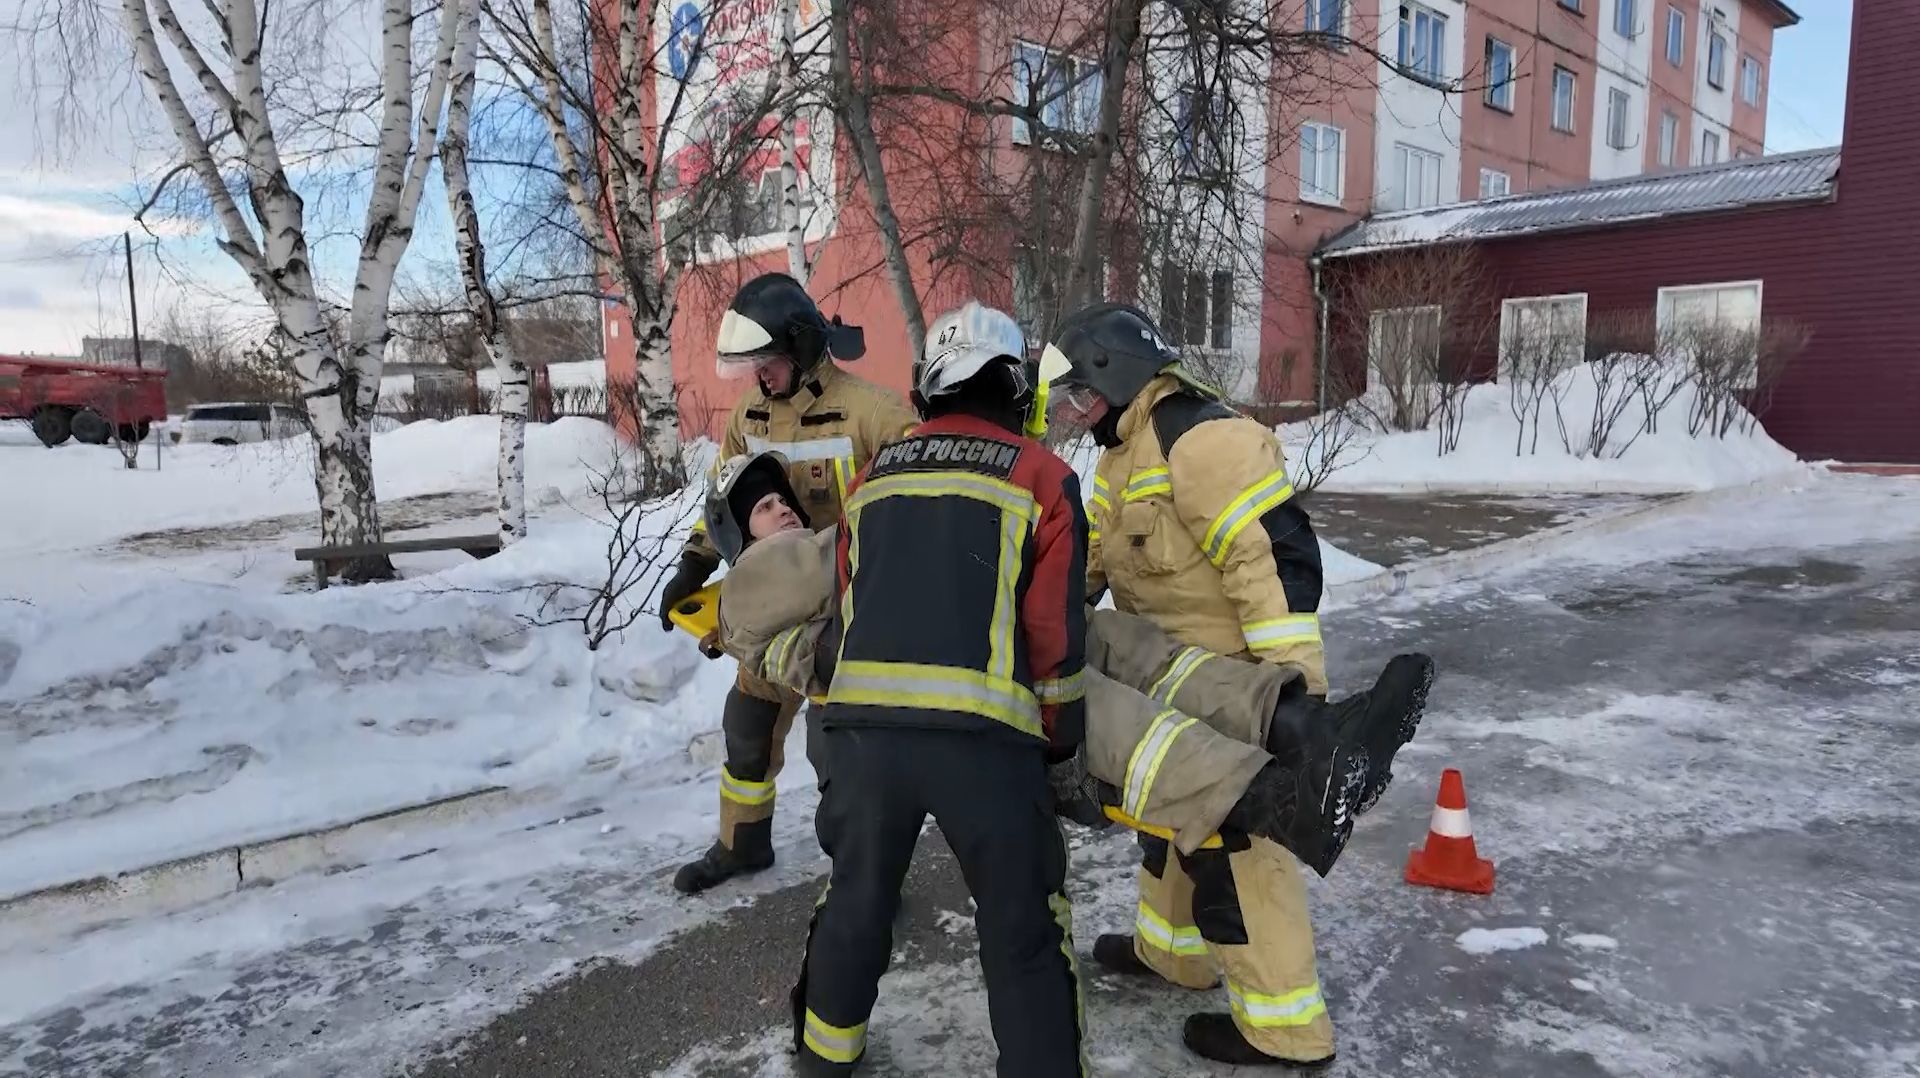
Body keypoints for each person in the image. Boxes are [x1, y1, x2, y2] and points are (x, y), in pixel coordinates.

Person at [1040, 302, 1435, 1069]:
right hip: (1167, 675)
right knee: (1172, 821)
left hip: (1231, 682)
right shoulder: (1124, 451)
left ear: (1115, 376)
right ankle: (1174, 954)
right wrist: (1051, 609)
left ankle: (1288, 1029)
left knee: (1245, 848)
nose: (1072, 411)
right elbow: (1097, 562)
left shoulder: (1201, 440)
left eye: (1078, 394)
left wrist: (1298, 703)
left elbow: (1273, 567)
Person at [790, 302, 1091, 1075]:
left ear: (929, 388)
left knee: (856, 901)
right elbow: (1054, 637)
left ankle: (824, 1058)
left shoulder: (874, 475)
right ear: (1016, 387)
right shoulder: (1043, 476)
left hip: (864, 740)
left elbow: (850, 602)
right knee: (1022, 927)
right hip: (985, 746)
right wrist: (1059, 743)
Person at [657, 271, 919, 896]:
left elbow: (927, 491)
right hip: (775, 612)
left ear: (801, 347)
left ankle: (863, 878)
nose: (759, 378)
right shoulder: (749, 415)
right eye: (751, 367)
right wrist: (694, 564)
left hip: (846, 619)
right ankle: (744, 843)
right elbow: (722, 498)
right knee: (747, 723)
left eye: (767, 363)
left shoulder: (873, 412)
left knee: (838, 752)